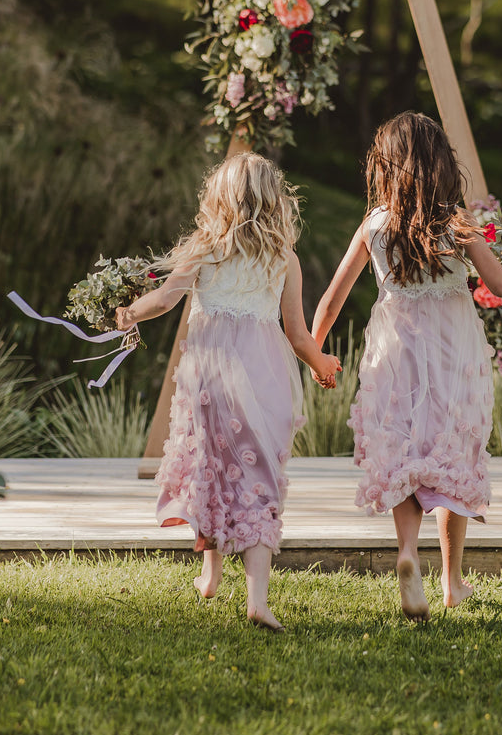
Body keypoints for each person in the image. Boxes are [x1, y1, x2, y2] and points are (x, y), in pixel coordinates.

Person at [312, 112, 502, 620]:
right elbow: (501, 287)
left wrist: (317, 353)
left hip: (395, 351)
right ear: (440, 164)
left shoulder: (374, 223)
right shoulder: (457, 223)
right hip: (451, 353)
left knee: (404, 450)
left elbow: (331, 300)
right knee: (451, 450)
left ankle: (408, 553)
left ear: (386, 166)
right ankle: (453, 582)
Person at [119, 152, 340, 631]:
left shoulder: (204, 248)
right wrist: (324, 365)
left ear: (218, 198)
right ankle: (256, 598)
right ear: (274, 200)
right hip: (265, 378)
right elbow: (299, 335)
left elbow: (164, 299)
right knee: (256, 476)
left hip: (209, 379)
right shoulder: (284, 257)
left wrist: (130, 312)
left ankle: (211, 574)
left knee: (210, 466)